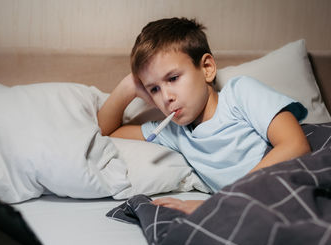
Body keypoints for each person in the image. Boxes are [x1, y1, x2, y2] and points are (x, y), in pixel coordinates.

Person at [97, 17, 310, 214]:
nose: (166, 97)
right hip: (248, 206)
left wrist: (218, 202)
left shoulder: (239, 94)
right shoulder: (173, 132)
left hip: (288, 184)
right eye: (154, 89)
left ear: (207, 68)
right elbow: (106, 131)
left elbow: (295, 145)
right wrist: (128, 87)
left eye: (172, 78)